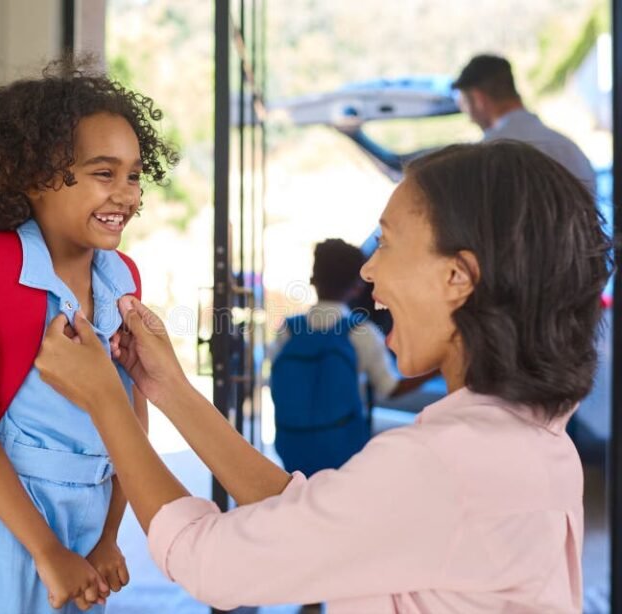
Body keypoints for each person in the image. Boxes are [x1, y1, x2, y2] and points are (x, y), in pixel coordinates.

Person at [36, 141, 611, 613]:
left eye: (385, 242)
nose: (369, 268)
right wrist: (168, 389)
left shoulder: (441, 464)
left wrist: (108, 401)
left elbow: (211, 562)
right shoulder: (532, 440)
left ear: (458, 277)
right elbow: (314, 511)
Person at [0, 59, 177, 613]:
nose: (126, 195)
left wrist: (110, 534)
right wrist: (45, 549)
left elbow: (130, 421)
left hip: (89, 527)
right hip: (2, 525)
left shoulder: (122, 281)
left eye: (135, 174)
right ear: (35, 176)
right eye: (103, 172)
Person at [269, 238, 430, 476]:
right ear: (358, 285)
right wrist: (438, 368)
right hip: (343, 451)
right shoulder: (361, 333)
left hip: (291, 446)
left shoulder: (289, 329)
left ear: (313, 280)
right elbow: (390, 388)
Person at [453, 54, 596, 194]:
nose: (469, 118)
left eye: (464, 103)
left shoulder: (485, 157)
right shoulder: (568, 147)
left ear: (479, 99)